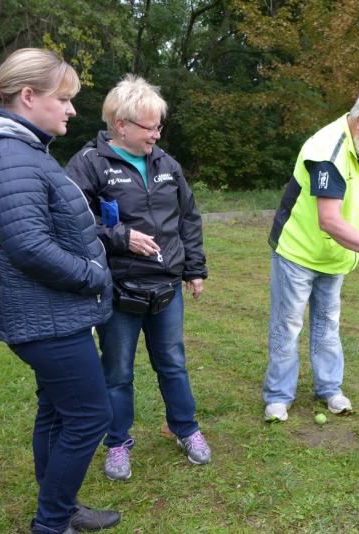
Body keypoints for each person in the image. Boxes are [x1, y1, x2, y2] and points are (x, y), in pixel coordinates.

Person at [0, 48, 120, 534]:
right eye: (64, 98)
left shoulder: (21, 149)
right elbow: (29, 247)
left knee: (58, 412)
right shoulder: (5, 154)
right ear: (27, 96)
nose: (72, 110)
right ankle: (52, 523)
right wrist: (94, 274)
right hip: (46, 319)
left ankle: (61, 507)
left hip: (50, 315)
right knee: (89, 416)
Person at [65, 75, 210, 479]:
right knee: (117, 373)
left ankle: (186, 429)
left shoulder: (166, 164)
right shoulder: (88, 165)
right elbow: (71, 225)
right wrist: (121, 237)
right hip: (118, 291)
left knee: (173, 363)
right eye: (150, 127)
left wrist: (194, 269)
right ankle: (117, 442)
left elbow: (189, 219)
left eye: (159, 126)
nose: (157, 135)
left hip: (166, 288)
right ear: (121, 125)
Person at [264, 88, 359, 422]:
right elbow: (329, 220)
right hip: (298, 253)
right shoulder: (327, 150)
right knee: (288, 325)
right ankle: (278, 396)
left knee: (327, 324)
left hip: (335, 256)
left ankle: (329, 388)